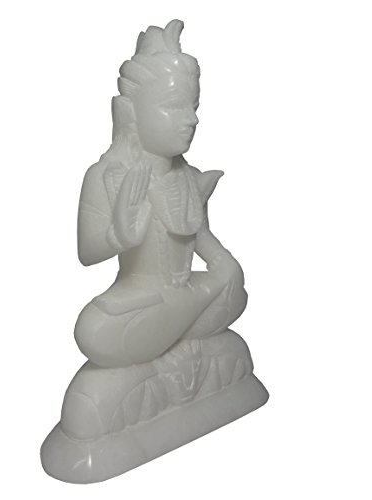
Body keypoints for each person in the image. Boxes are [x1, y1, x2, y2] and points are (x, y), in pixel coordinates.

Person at [73, 19, 247, 368]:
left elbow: (203, 241)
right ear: (131, 112)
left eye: (193, 106)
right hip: (140, 299)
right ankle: (178, 338)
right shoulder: (107, 176)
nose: (191, 119)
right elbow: (87, 254)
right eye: (174, 106)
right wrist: (117, 236)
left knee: (234, 290)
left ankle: (167, 340)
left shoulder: (188, 178)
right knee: (93, 329)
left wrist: (226, 266)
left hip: (184, 294)